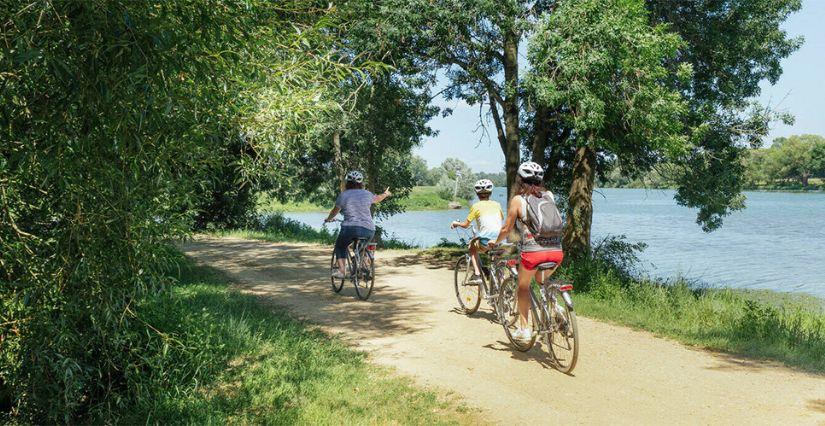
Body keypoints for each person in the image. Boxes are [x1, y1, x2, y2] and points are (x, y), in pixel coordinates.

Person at [488, 162, 564, 342]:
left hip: (533, 254)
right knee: (541, 280)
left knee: (523, 287)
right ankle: (555, 307)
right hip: (556, 251)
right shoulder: (549, 195)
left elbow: (507, 228)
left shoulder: (518, 200)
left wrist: (495, 241)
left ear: (520, 180)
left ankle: (524, 329)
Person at [324, 170, 391, 279]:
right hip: (368, 229)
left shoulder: (343, 195)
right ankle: (364, 265)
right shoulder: (367, 194)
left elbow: (334, 211)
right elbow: (378, 198)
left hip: (350, 228)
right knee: (362, 246)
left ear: (347, 182)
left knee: (340, 246)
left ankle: (341, 271)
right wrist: (385, 194)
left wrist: (328, 219)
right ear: (361, 183)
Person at [450, 179, 503, 284]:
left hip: (485, 241)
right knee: (496, 260)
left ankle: (477, 274)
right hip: (499, 239)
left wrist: (456, 223)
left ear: (477, 194)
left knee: (471, 246)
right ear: (490, 193)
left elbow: (466, 225)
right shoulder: (497, 205)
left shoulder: (475, 206)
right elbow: (499, 219)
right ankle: (503, 285)